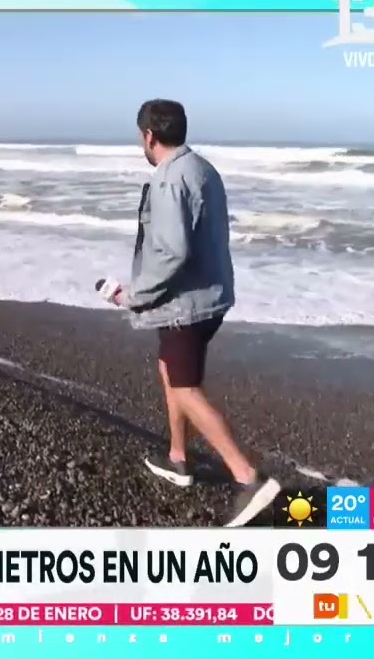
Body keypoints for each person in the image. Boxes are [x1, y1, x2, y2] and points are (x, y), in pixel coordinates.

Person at [108, 99, 280, 527]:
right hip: (211, 296)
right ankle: (178, 457)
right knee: (172, 370)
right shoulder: (204, 169)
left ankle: (249, 478)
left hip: (186, 302)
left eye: (140, 136)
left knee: (185, 387)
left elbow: (172, 252)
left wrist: (134, 295)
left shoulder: (169, 178)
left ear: (149, 135)